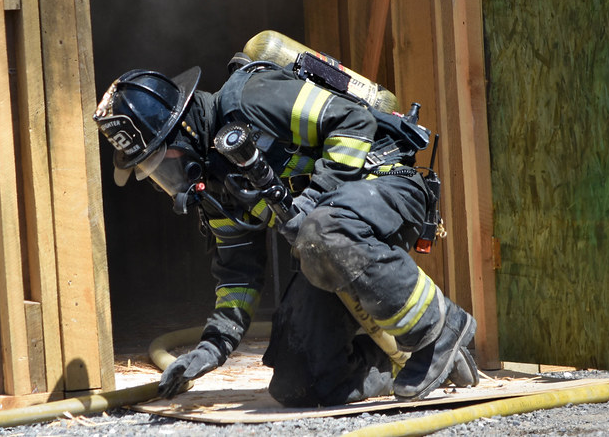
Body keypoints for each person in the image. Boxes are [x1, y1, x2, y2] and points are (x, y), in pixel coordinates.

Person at [92, 51, 479, 407]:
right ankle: (395, 361)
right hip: (328, 237)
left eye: (161, 161)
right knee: (299, 385)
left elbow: (352, 121)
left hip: (389, 185)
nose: (165, 179)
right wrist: (211, 349)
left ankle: (439, 328)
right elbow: (238, 275)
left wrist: (312, 202)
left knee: (320, 230)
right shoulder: (216, 185)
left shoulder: (249, 98)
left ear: (184, 132)